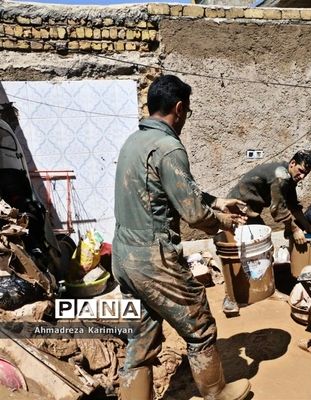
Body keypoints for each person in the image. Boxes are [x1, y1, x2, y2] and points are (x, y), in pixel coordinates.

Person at [112, 75, 250, 400]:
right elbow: (194, 215)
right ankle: (216, 393)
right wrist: (224, 220)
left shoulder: (134, 141)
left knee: (142, 338)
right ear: (179, 108)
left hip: (124, 258)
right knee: (199, 323)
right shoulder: (169, 146)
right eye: (187, 111)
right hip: (153, 259)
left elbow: (173, 189)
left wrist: (216, 200)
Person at [227, 149, 311, 245]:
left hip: (249, 211)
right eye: (301, 171)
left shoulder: (289, 176)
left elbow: (293, 205)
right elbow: (277, 209)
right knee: (252, 248)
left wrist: (307, 226)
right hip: (236, 209)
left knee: (263, 246)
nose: (302, 176)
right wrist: (295, 229)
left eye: (306, 173)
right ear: (293, 163)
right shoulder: (281, 176)